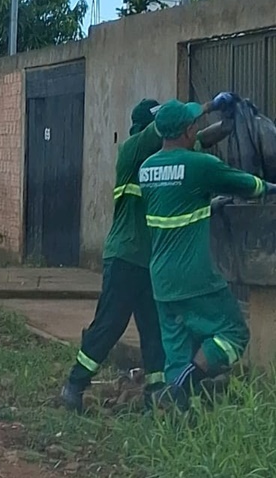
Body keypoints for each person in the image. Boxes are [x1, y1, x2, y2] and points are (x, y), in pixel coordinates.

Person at [60, 95, 235, 413]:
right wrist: (208, 106)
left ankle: (155, 394)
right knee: (110, 324)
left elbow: (199, 141)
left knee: (154, 330)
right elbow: (166, 131)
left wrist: (230, 123)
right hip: (126, 257)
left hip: (152, 262)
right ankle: (75, 383)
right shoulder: (133, 153)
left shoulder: (166, 160)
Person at [140, 99, 276, 410]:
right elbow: (250, 186)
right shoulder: (200, 165)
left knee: (177, 349)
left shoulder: (146, 169)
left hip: (161, 278)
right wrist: (269, 187)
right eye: (193, 125)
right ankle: (185, 384)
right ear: (189, 131)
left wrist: (213, 108)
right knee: (233, 333)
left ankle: (175, 413)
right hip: (195, 276)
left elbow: (178, 198)